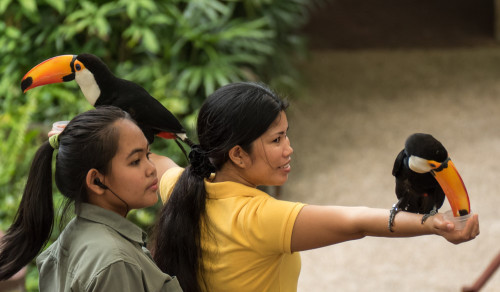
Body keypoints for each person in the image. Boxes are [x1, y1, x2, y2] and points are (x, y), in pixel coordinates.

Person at [0, 106, 182, 291]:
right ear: (96, 181)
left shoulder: (74, 239)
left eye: (148, 154)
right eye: (135, 161)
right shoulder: (115, 262)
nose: (151, 168)